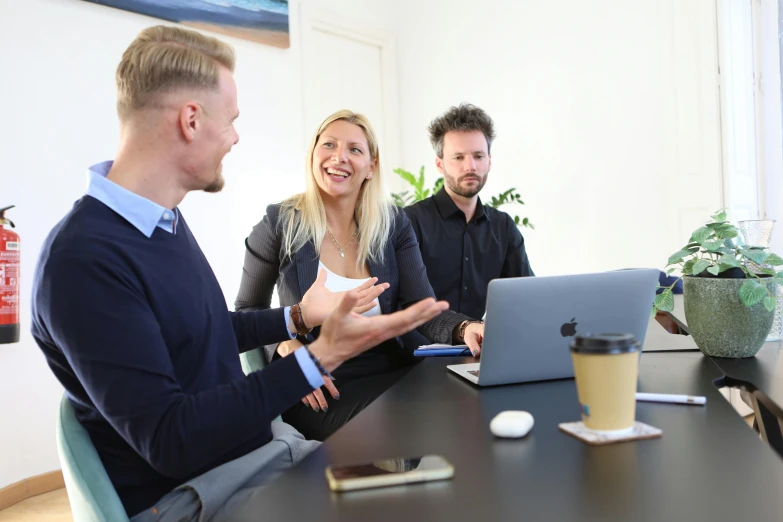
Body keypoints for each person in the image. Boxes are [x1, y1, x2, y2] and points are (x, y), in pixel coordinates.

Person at [30, 26, 447, 521]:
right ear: (190, 120)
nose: (235, 137)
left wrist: (295, 316)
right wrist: (318, 357)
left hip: (259, 451)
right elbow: (171, 440)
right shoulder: (84, 259)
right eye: (230, 120)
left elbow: (207, 330)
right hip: (196, 492)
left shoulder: (162, 222)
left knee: (420, 495)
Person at [234, 109, 486, 441]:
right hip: (322, 384)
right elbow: (246, 311)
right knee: (412, 426)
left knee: (472, 407)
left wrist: (465, 327)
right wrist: (287, 344)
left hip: (396, 370)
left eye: (355, 149)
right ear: (313, 154)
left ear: (371, 166)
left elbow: (420, 309)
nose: (340, 157)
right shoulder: (279, 223)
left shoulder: (393, 224)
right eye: (329, 145)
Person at [405, 103, 535, 321]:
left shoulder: (503, 227)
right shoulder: (410, 221)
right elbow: (408, 302)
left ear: (489, 161)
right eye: (458, 157)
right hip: (417, 353)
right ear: (440, 164)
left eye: (478, 156)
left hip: (478, 351)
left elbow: (527, 296)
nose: (470, 166)